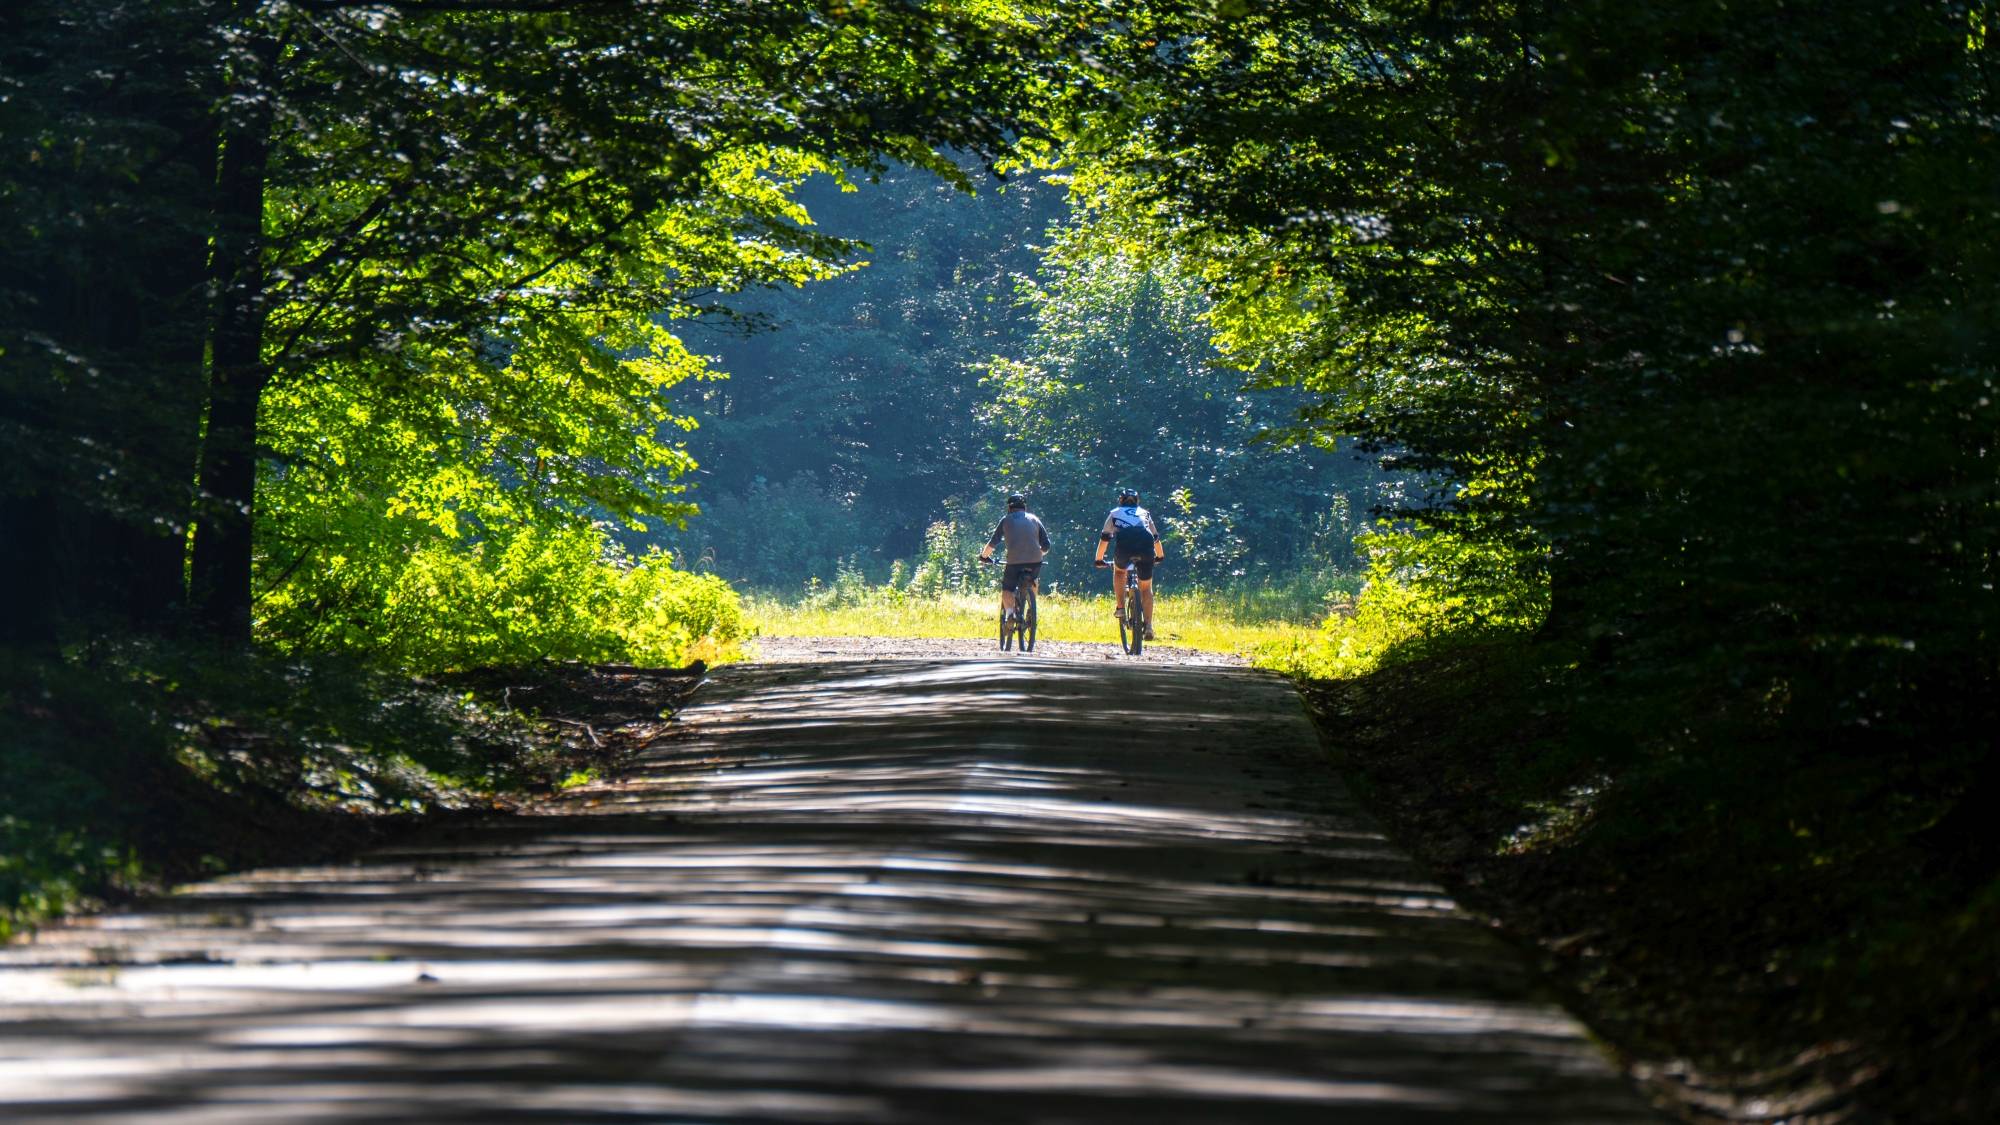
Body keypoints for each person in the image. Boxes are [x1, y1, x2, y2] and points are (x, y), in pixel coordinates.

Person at [1093, 487, 1164, 639]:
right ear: (1137, 502)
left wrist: (1098, 559)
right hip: (1146, 546)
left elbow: (1105, 538)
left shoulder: (1115, 513)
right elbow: (1155, 537)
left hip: (1124, 547)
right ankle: (1149, 626)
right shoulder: (1145, 513)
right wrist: (1160, 556)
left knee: (1119, 571)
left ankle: (1120, 607)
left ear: (1120, 501)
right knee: (1146, 588)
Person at [978, 493, 1050, 624]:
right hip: (1035, 561)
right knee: (1034, 580)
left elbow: (993, 543)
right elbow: (1046, 546)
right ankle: (1031, 611)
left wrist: (984, 557)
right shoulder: (1035, 519)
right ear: (1024, 507)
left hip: (1014, 562)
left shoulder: (1006, 520)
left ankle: (1010, 614)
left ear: (1009, 508)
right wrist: (1037, 554)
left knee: (1007, 589)